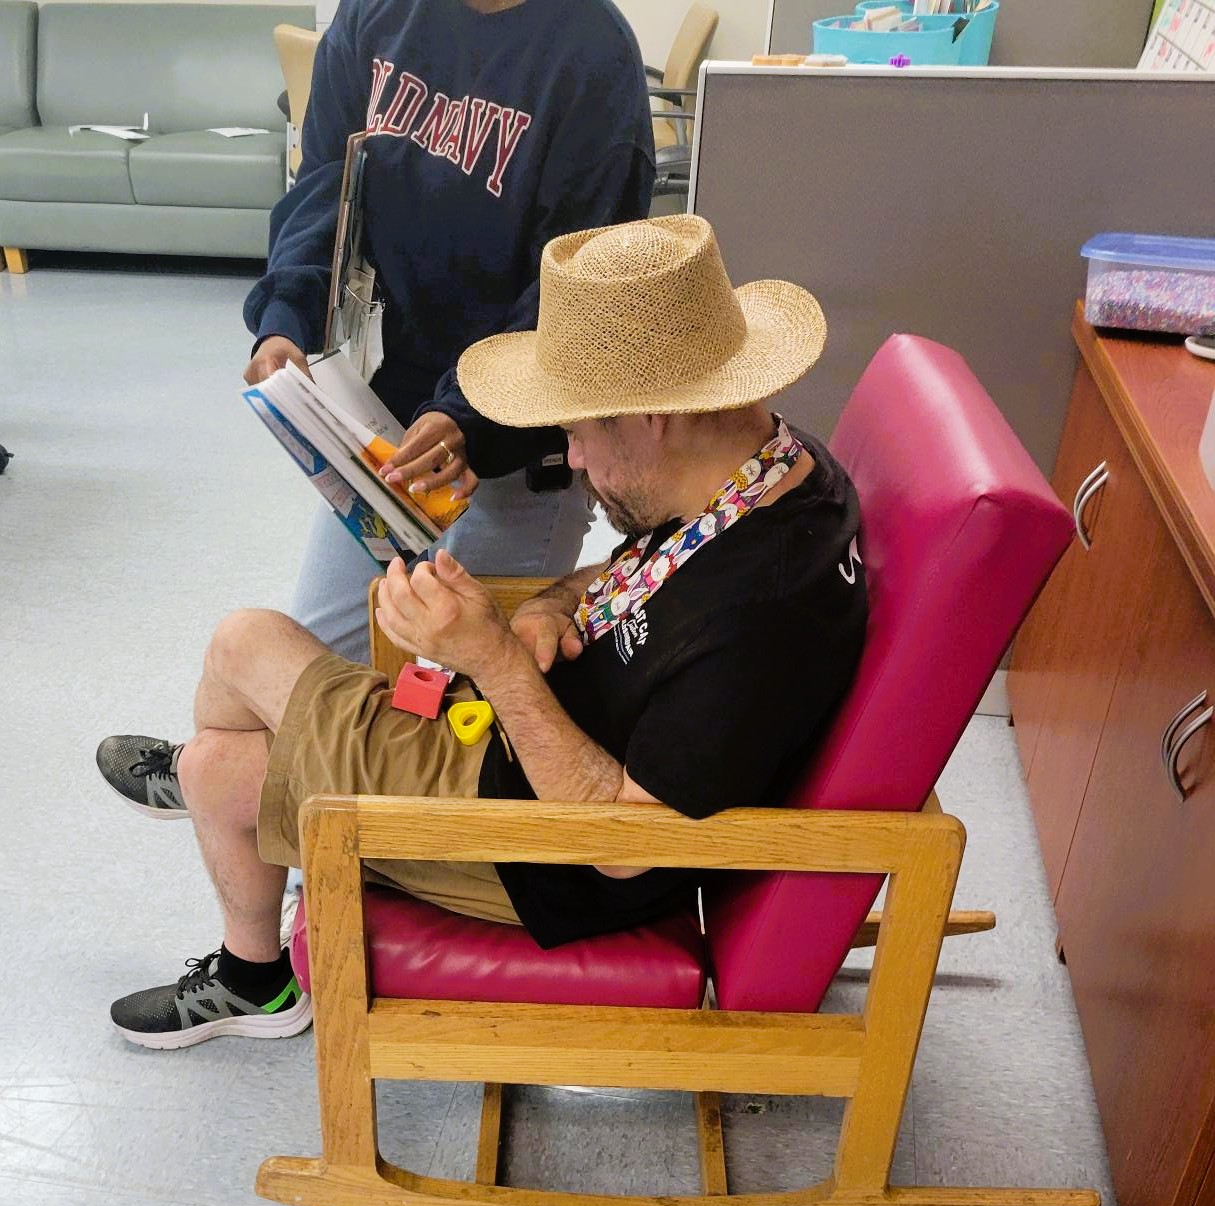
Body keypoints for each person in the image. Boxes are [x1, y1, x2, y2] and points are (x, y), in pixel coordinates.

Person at [98, 215, 868, 1050]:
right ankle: (247, 941)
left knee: (232, 695)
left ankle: (250, 961)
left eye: (576, 432)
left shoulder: (761, 610)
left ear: (651, 414)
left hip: (539, 848)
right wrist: (553, 605)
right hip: (521, 745)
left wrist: (493, 660)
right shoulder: (764, 467)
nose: (574, 461)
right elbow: (654, 571)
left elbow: (624, 848)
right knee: (226, 720)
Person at [245, 0, 656, 664]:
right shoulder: (375, 14)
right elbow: (324, 182)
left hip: (516, 444)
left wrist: (466, 414)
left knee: (478, 689)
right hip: (388, 424)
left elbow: (575, 282)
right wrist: (284, 321)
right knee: (320, 671)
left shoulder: (592, 54)